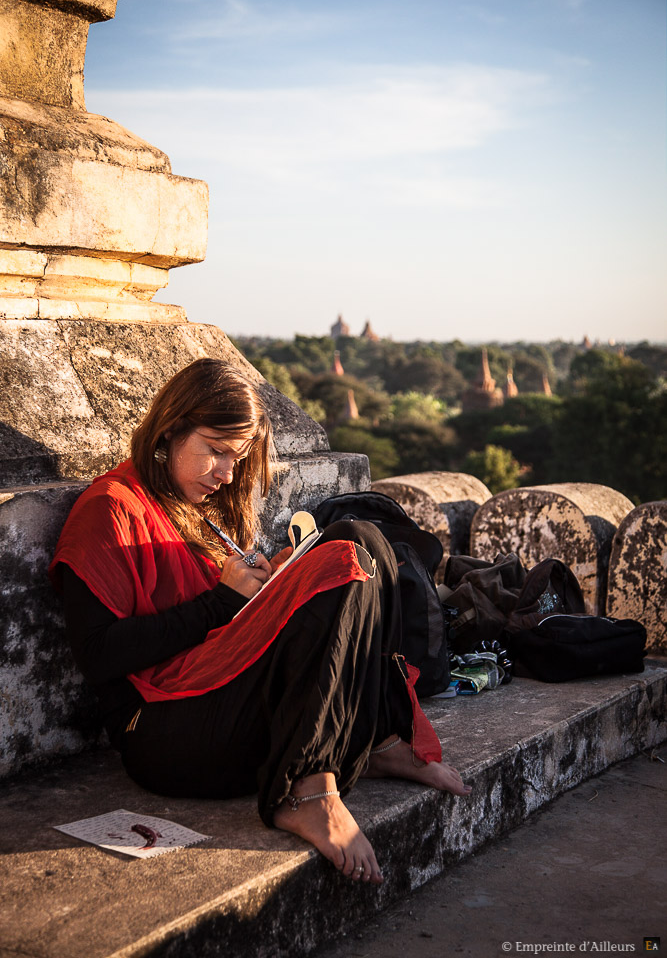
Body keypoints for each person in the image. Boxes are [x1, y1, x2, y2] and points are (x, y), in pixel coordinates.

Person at [50, 359, 471, 884]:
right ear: (170, 429)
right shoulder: (109, 508)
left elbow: (233, 625)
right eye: (215, 450)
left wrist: (266, 586)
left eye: (238, 457)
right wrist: (221, 603)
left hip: (223, 693)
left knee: (362, 539)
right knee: (341, 558)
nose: (226, 473)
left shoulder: (199, 506)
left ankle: (376, 740)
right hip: (165, 731)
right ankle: (306, 789)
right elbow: (97, 655)